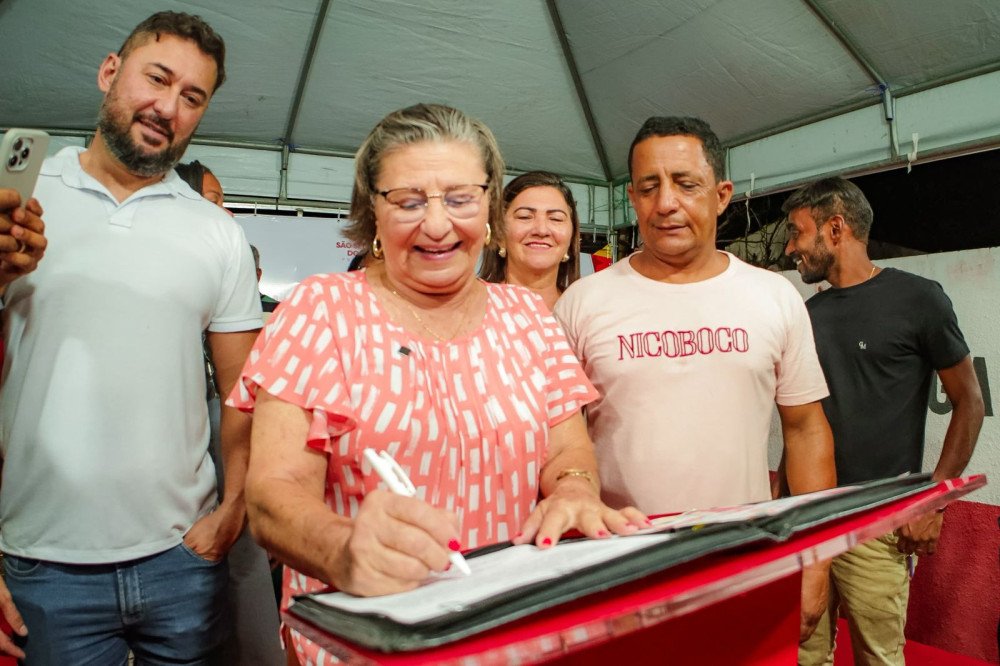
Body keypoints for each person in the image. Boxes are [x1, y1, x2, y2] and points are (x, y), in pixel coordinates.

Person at [227, 103, 648, 665]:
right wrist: (342, 548)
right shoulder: (320, 310)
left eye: (459, 198)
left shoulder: (526, 315)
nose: (436, 224)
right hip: (373, 642)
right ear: (371, 210)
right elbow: (273, 494)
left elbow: (568, 448)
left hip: (511, 635)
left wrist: (573, 489)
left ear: (490, 205)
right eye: (407, 201)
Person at [0, 12, 262, 663]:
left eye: (192, 96)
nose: (168, 107)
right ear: (110, 72)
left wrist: (235, 508)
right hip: (39, 564)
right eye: (158, 78)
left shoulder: (215, 231)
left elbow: (247, 393)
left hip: (183, 561)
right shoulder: (21, 201)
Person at [553, 115, 837, 641]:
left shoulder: (773, 297)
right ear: (633, 199)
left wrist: (815, 559)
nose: (666, 203)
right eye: (648, 187)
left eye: (685, 184)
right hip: (617, 574)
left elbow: (805, 429)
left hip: (747, 564)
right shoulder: (583, 304)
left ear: (722, 193)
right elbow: (557, 441)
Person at [784, 177, 984, 666]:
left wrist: (935, 500)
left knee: (879, 658)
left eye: (797, 232)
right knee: (798, 654)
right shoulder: (803, 314)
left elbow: (970, 401)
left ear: (835, 229)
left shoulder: (918, 299)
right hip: (805, 521)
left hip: (877, 525)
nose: (790, 248)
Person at [175, 162, 283, 665]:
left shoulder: (235, 283)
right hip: (179, 459)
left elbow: (242, 387)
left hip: (231, 440)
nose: (225, 212)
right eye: (213, 200)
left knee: (243, 565)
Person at [479, 171, 581, 309]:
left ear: (571, 237)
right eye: (524, 217)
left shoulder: (586, 310)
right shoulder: (470, 306)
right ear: (499, 234)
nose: (541, 230)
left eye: (555, 218)